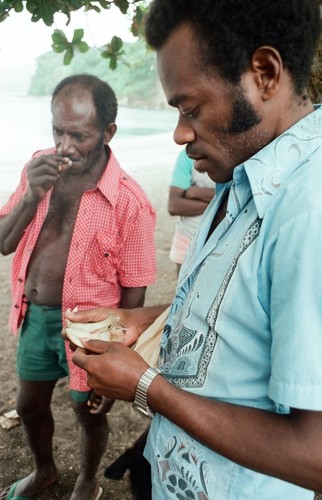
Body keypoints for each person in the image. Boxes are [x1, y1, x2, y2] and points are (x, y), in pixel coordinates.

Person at [66, 1, 322, 499]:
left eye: (191, 108)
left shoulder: (314, 212)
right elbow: (245, 303)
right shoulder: (244, 172)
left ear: (265, 74)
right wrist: (143, 319)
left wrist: (147, 387)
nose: (181, 133)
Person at [0, 74, 156, 500]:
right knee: (30, 407)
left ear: (108, 133)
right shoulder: (39, 166)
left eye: (79, 135)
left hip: (89, 331)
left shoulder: (130, 201)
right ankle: (45, 471)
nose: (64, 147)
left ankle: (87, 481)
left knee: (86, 413)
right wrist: (32, 194)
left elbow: (135, 292)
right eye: (58, 131)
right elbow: (3, 242)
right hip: (34, 316)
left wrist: (119, 357)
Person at [168, 149, 215, 275]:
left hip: (223, 239)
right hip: (188, 237)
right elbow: (174, 205)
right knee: (183, 291)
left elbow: (240, 195)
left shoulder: (235, 155)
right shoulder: (187, 156)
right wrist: (219, 202)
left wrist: (195, 192)